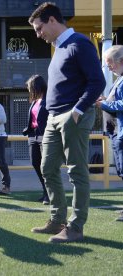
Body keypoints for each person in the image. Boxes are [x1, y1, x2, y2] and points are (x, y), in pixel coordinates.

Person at [29, 2, 106, 243]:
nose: (38, 35)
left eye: (39, 29)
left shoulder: (80, 44)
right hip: (54, 117)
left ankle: (75, 227)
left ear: (52, 20)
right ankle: (57, 220)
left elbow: (97, 82)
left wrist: (78, 110)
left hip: (73, 115)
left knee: (76, 171)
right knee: (47, 168)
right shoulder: (59, 48)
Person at [94, 45, 123, 222]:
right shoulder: (119, 79)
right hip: (117, 133)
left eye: (110, 62)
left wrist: (103, 104)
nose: (108, 66)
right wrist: (106, 101)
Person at [23, 75, 49, 205]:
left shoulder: (49, 99)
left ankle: (49, 194)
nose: (28, 90)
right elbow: (33, 118)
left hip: (45, 135)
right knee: (35, 163)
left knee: (46, 166)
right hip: (33, 135)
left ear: (36, 86)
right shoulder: (34, 100)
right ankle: (45, 191)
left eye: (29, 87)